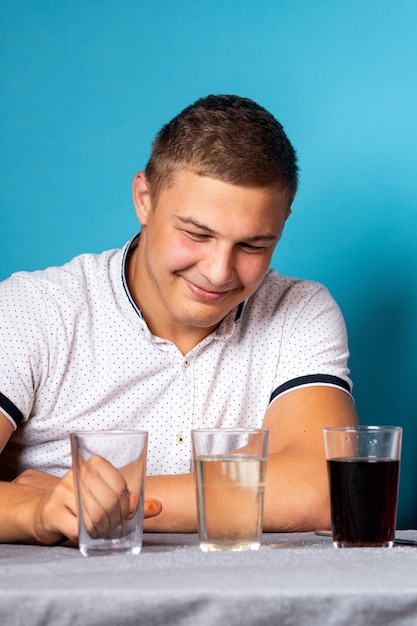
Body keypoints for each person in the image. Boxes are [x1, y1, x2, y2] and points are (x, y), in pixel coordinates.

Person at [0, 94, 357, 545]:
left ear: (282, 224)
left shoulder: (299, 309)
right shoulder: (32, 309)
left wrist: (104, 502)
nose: (218, 271)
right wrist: (37, 512)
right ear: (144, 199)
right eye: (196, 234)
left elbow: (322, 489)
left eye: (252, 246)